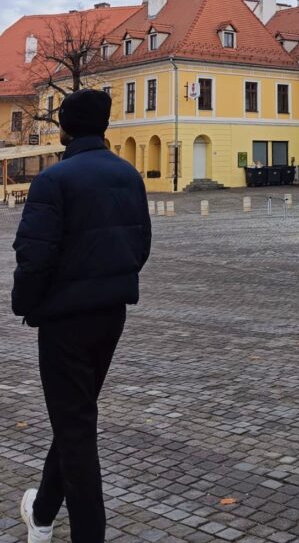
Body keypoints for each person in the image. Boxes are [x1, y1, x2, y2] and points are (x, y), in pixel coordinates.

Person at [12, 88, 152, 543]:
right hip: (111, 314)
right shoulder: (129, 175)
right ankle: (44, 511)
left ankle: (88, 534)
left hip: (64, 320)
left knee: (75, 428)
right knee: (76, 417)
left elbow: (35, 256)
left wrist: (27, 305)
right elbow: (140, 244)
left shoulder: (54, 180)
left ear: (66, 128)